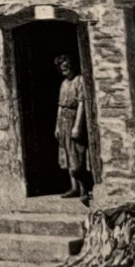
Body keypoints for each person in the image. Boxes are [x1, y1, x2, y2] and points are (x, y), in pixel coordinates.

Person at [55, 54, 91, 202]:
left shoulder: (79, 80)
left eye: (66, 67)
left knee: (77, 156)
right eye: (62, 68)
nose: (65, 70)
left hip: (74, 117)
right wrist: (57, 126)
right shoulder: (64, 83)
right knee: (68, 156)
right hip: (63, 119)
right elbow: (60, 105)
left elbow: (82, 103)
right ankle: (74, 187)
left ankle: (84, 189)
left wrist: (77, 126)